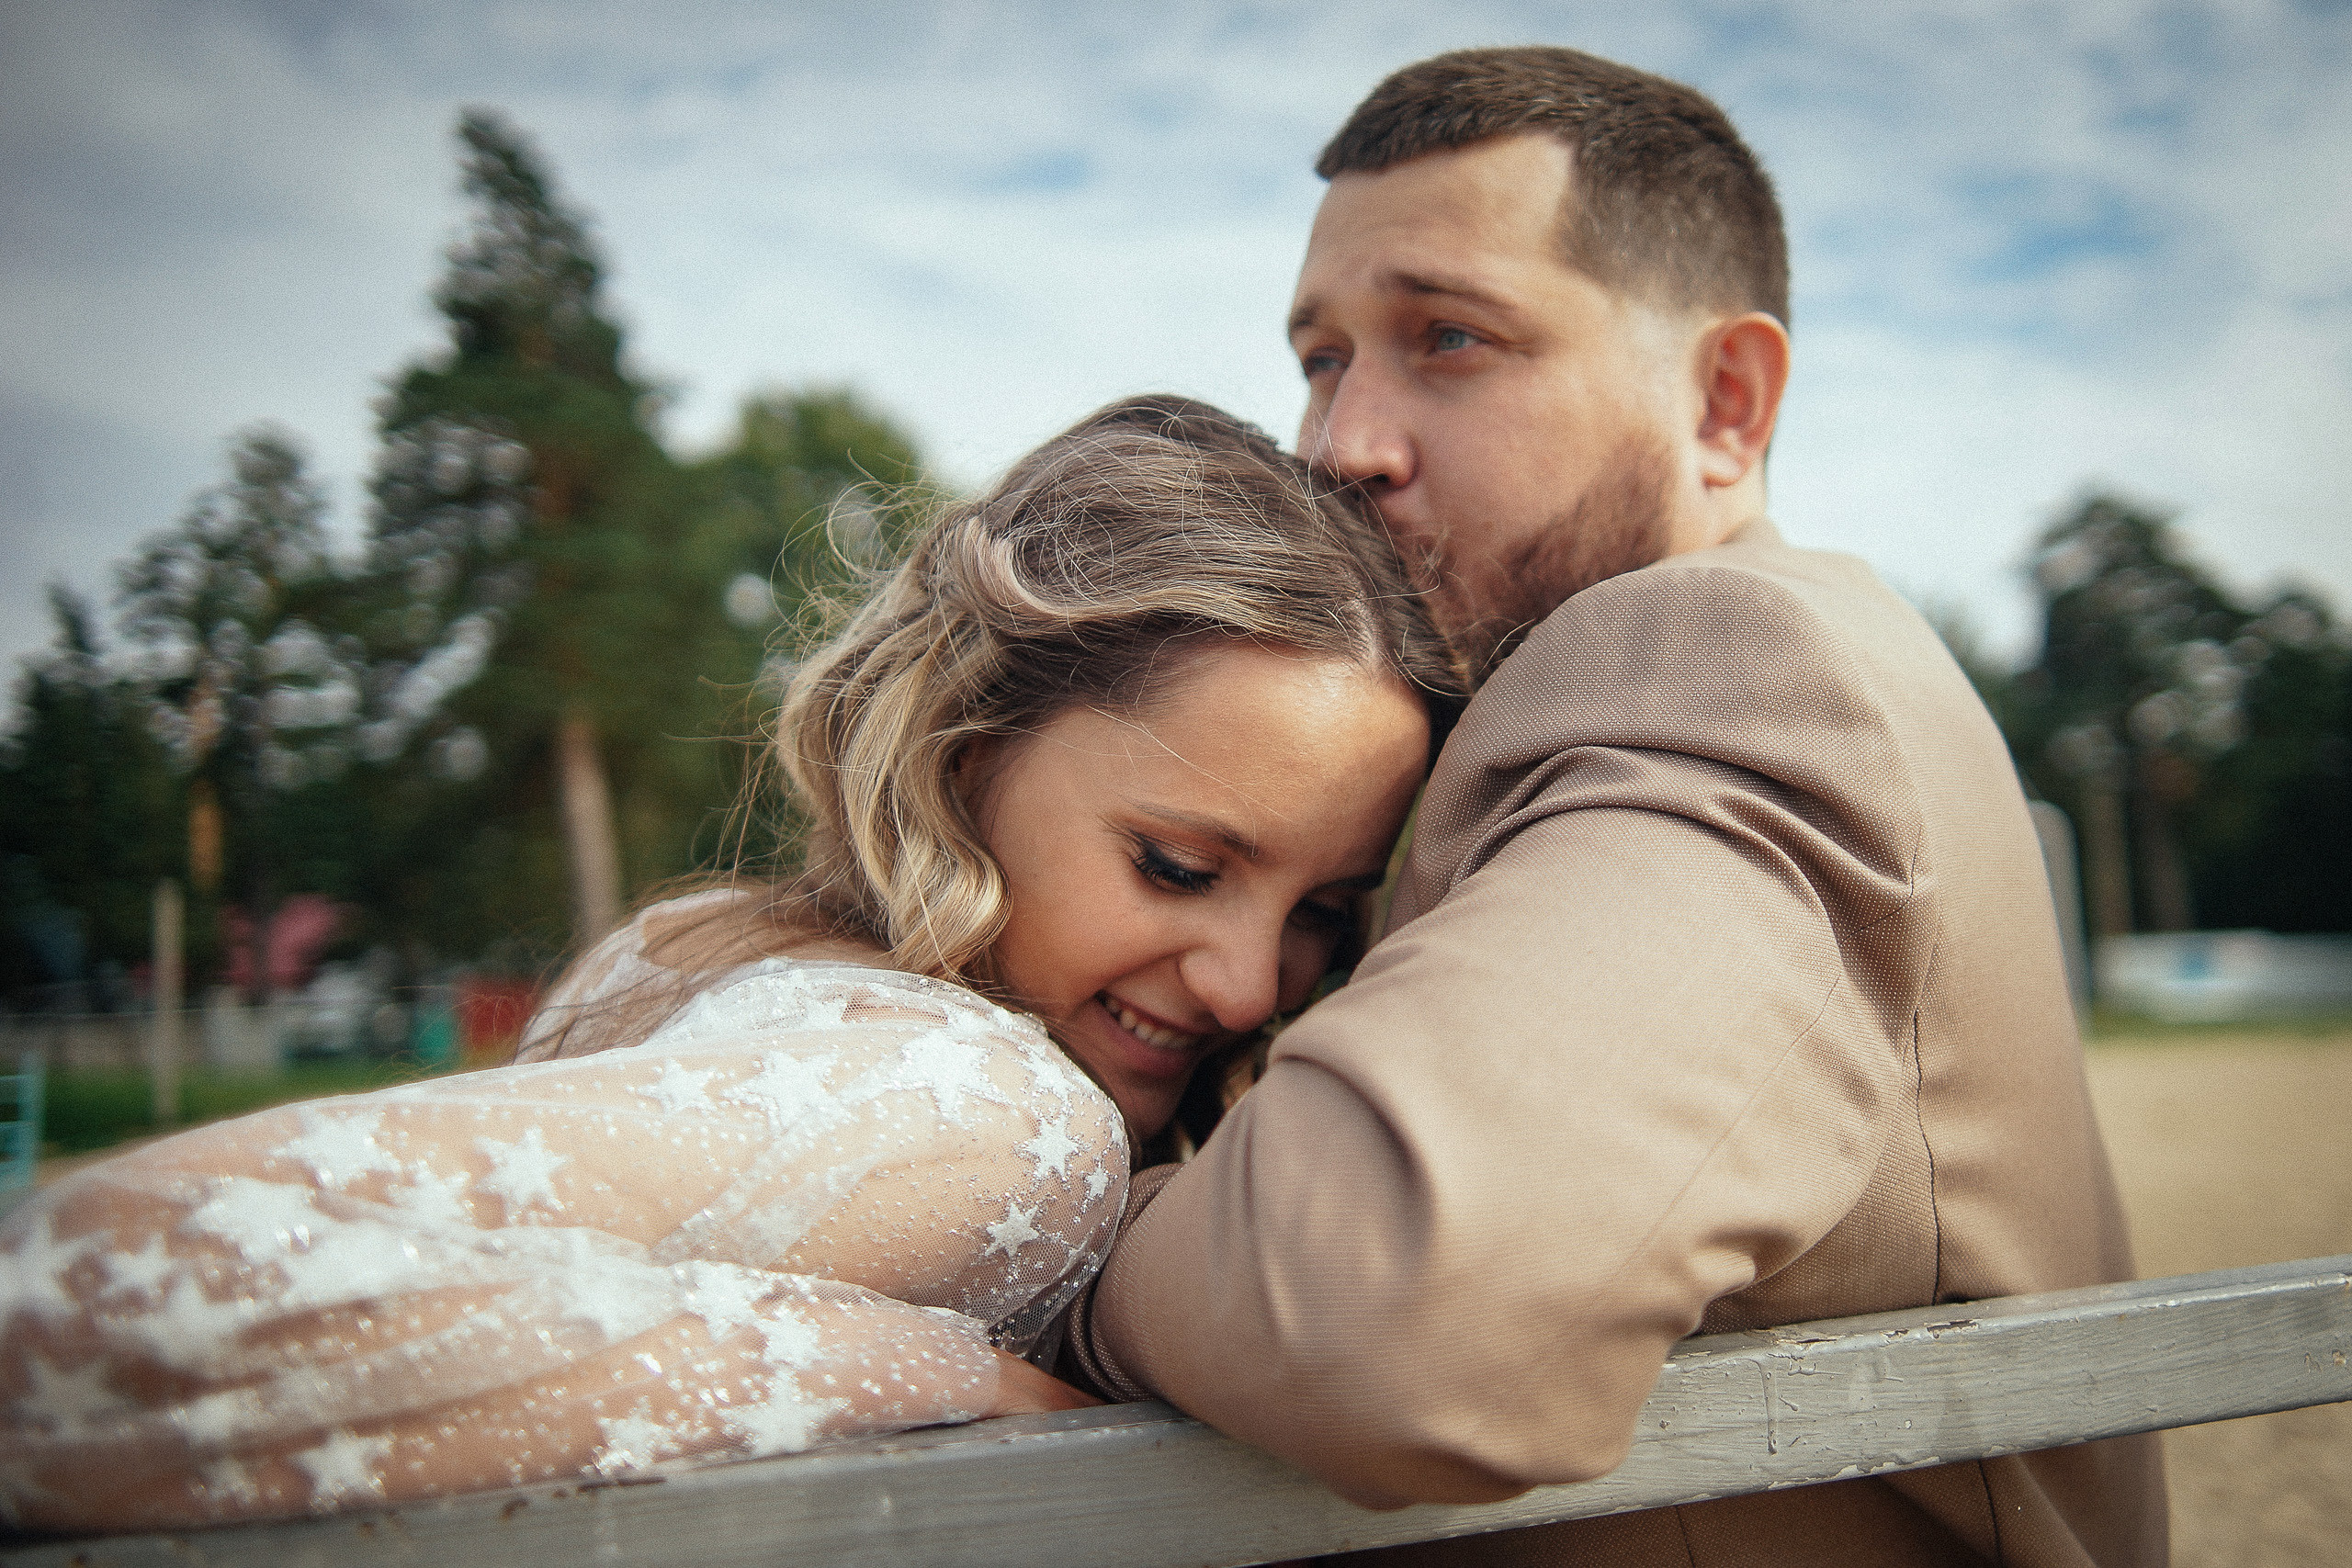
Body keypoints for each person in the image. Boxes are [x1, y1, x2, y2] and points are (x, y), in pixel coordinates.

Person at [1060, 49, 2168, 1567]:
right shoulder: (1702, 677)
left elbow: (1381, 1308)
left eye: (1449, 338)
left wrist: (1038, 1235)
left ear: (1725, 402)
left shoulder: (1726, 659)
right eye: (1322, 359)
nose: (1340, 447)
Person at [0, 397, 1462, 1534]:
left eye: (1326, 909)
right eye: (1180, 868)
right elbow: (80, 1289)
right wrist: (917, 1374)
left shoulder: (695, 945)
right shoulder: (993, 1111)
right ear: (967, 752)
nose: (1252, 987)